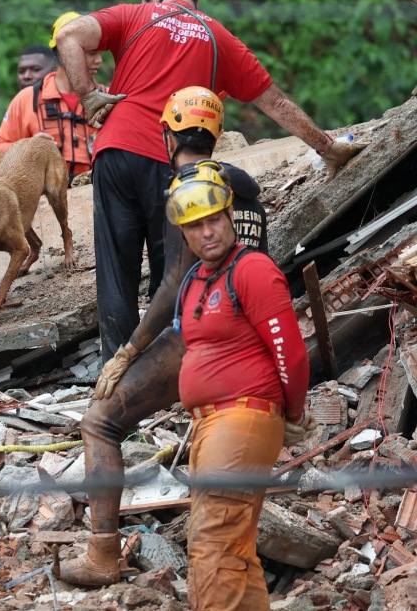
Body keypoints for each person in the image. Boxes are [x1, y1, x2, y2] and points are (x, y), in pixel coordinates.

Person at [53, 0, 364, 362]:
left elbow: (68, 35)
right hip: (173, 163)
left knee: (115, 270)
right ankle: (166, 371)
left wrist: (89, 94)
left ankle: (114, 373)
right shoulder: (220, 37)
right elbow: (276, 103)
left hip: (116, 151)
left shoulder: (134, 15)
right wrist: (327, 147)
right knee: (171, 271)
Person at [56, 87, 270, 587]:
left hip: (204, 330)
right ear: (217, 133)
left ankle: (102, 555)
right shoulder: (243, 188)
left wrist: (129, 350)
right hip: (248, 335)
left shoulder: (188, 187)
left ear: (169, 135)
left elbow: (174, 283)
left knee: (100, 423)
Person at [167, 168, 311, 608]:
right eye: (195, 225)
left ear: (231, 215)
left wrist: (293, 414)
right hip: (210, 426)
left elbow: (291, 352)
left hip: (241, 419)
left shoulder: (252, 269)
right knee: (233, 548)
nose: (207, 232)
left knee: (213, 546)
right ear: (183, 232)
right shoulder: (196, 278)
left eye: (214, 219)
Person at [0, 13, 103, 180]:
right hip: (46, 193)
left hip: (95, 190)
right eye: (91, 53)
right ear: (64, 52)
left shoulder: (107, 97)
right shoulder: (28, 99)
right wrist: (27, 149)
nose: (99, 60)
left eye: (99, 52)